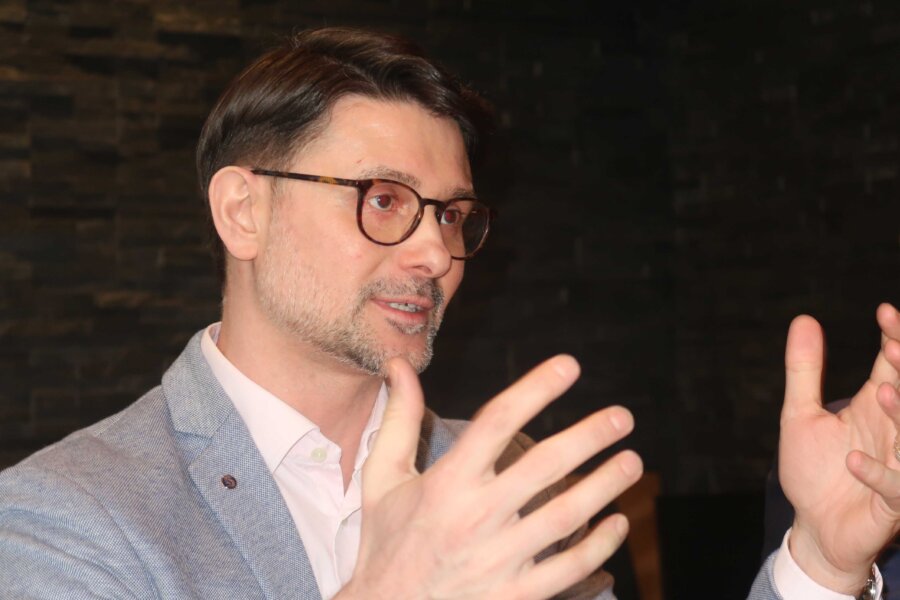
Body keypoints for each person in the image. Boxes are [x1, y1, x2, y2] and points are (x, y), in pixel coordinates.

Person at [0, 27, 897, 600]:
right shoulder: (63, 515)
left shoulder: (503, 476)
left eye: (453, 215)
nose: (436, 253)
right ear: (244, 212)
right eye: (385, 199)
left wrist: (821, 564)